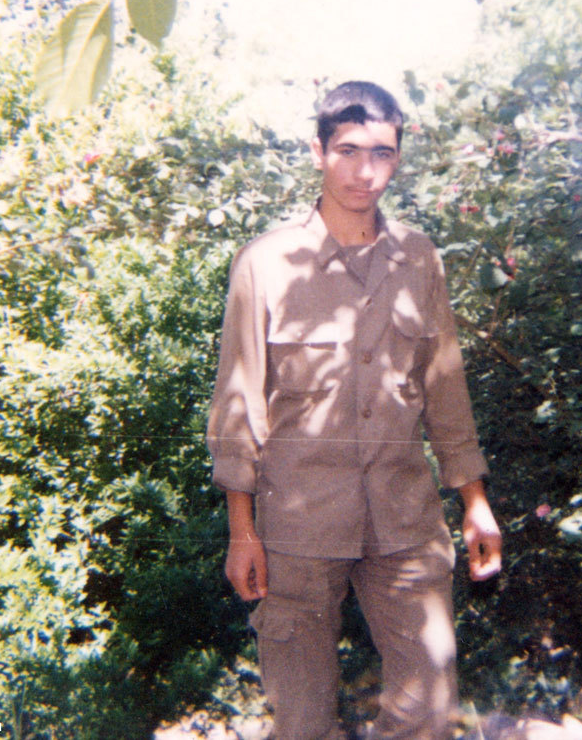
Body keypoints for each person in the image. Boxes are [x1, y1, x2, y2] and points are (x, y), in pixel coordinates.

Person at [206, 81, 502, 740]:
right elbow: (239, 403)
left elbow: (445, 388)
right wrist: (241, 529)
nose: (365, 172)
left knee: (428, 708)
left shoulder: (418, 258)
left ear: (398, 158)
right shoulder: (265, 264)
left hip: (405, 517)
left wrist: (475, 501)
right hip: (298, 528)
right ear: (318, 151)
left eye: (382, 153)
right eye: (347, 151)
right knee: (302, 720)